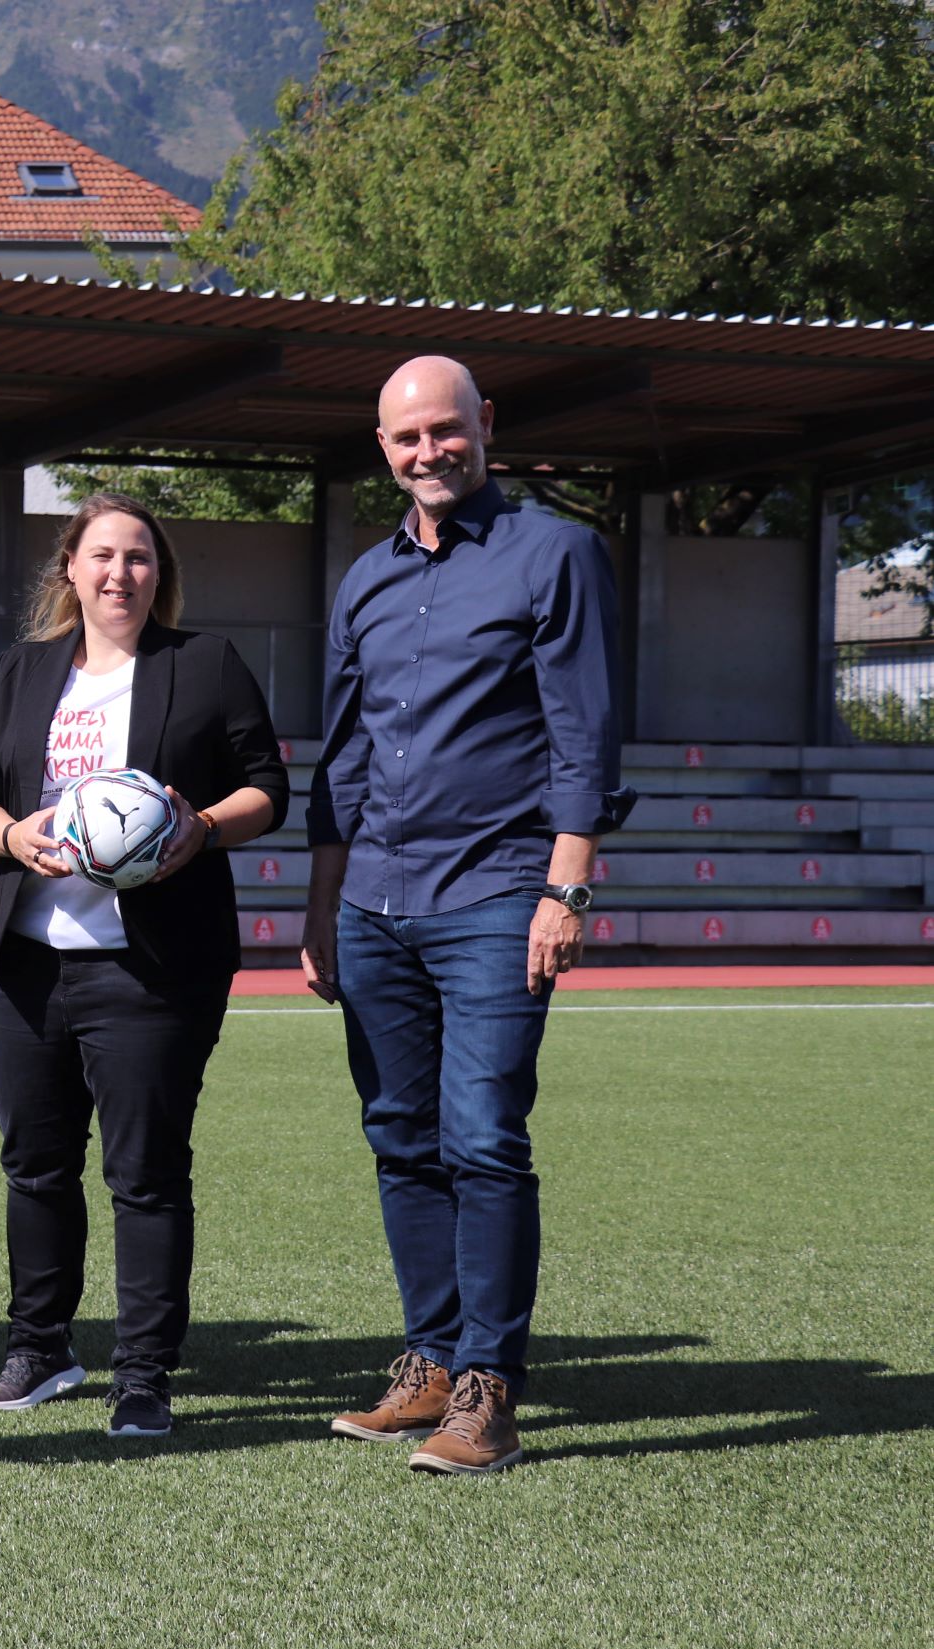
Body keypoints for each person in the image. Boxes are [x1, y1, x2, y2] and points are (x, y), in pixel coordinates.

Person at [305, 356, 633, 1476]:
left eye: (445, 429)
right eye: (405, 437)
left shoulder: (556, 553)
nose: (427, 451)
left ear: (484, 424)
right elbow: (342, 755)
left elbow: (585, 729)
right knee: (400, 1136)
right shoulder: (365, 579)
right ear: (382, 447)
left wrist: (566, 886)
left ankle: (489, 1382)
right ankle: (432, 1362)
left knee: (483, 1134)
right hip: (372, 899)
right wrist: (321, 901)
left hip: (497, 889)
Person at [0, 493, 287, 1433]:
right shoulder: (23, 670)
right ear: (71, 567)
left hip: (153, 966)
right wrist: (12, 834)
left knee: (146, 1172)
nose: (119, 573)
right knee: (34, 1164)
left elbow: (269, 786)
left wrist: (201, 825)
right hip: (31, 963)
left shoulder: (204, 663)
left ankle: (143, 1374)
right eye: (101, 555)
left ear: (158, 573)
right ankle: (39, 1347)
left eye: (138, 557)